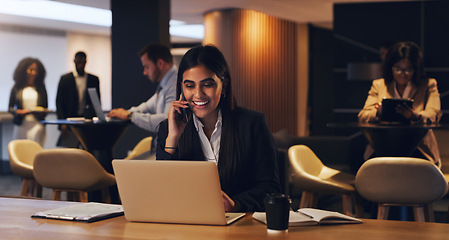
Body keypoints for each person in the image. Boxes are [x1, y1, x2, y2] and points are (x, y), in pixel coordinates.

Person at [156, 45, 281, 212]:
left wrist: (235, 204)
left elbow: (270, 187)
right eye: (190, 86)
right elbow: (161, 191)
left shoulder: (252, 124)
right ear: (182, 87)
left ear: (224, 84)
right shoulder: (168, 129)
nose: (198, 94)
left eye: (207, 84)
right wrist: (173, 138)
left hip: (240, 225)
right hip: (188, 224)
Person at [358, 41, 442, 167]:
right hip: (383, 146)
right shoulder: (379, 85)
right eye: (397, 68)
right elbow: (363, 115)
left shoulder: (428, 85)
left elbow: (434, 114)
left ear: (416, 68)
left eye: (408, 69)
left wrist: (416, 116)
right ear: (390, 67)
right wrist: (379, 112)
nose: (403, 74)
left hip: (419, 148)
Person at [107, 43, 177, 133]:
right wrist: (123, 113)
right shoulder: (166, 84)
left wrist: (130, 115)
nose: (144, 72)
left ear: (160, 63)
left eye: (146, 67)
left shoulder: (175, 84)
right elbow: (146, 106)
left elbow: (166, 121)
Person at [56, 51, 100, 147]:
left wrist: (97, 120)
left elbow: (97, 101)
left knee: (87, 149)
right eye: (78, 61)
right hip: (70, 120)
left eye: (83, 62)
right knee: (70, 151)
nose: (80, 64)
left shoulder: (93, 79)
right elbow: (59, 103)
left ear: (86, 62)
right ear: (74, 61)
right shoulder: (65, 79)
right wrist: (62, 123)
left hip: (87, 121)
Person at [8, 57, 48, 146]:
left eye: (36, 70)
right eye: (31, 69)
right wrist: (18, 112)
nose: (33, 73)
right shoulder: (17, 87)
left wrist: (40, 111)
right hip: (21, 123)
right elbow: (10, 107)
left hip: (37, 123)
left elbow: (45, 107)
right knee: (20, 150)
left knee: (35, 149)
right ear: (24, 70)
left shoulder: (41, 88)